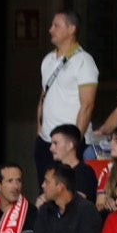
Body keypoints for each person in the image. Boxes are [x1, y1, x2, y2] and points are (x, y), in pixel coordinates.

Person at [32, 11, 98, 181]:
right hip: (46, 141)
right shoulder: (48, 60)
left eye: (56, 26)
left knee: (69, 191)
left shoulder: (84, 61)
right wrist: (40, 132)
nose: (50, 30)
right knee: (46, 191)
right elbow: (43, 96)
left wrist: (74, 142)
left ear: (71, 29)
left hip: (69, 144)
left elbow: (87, 105)